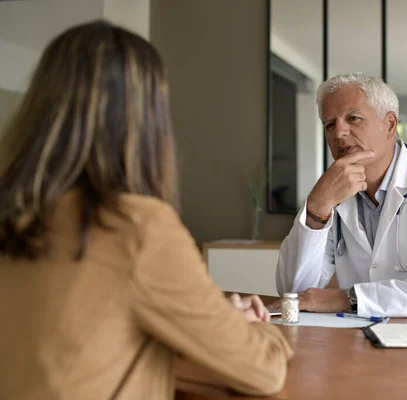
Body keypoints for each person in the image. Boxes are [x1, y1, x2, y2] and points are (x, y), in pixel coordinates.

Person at [0, 21, 292, 399]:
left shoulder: (16, 214)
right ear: (145, 120)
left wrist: (213, 325)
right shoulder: (136, 227)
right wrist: (255, 328)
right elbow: (264, 370)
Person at [275, 73, 407, 319]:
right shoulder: (332, 192)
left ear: (390, 125)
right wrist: (317, 208)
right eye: (329, 124)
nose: (339, 133)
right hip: (362, 342)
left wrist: (348, 299)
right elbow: (293, 294)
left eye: (353, 118)